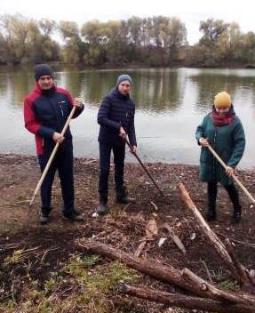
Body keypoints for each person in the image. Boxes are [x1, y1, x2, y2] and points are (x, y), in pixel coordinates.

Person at [24, 64, 84, 224]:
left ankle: (69, 210)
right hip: (46, 146)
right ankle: (45, 210)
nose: (46, 81)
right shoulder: (31, 100)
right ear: (37, 80)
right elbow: (30, 124)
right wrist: (51, 134)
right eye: (43, 79)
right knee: (47, 179)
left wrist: (80, 107)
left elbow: (72, 113)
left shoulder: (63, 94)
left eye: (49, 78)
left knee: (67, 178)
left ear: (52, 78)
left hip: (66, 143)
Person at [195, 91, 245, 223]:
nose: (222, 111)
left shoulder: (235, 123)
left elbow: (240, 144)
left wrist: (232, 164)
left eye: (225, 108)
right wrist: (200, 139)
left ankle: (237, 209)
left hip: (225, 162)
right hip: (209, 159)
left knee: (229, 185)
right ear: (214, 106)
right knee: (211, 184)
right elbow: (199, 130)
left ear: (230, 107)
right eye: (219, 108)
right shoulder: (208, 118)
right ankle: (211, 210)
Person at [96, 74, 137, 215]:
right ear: (118, 85)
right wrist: (118, 127)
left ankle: (120, 195)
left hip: (120, 141)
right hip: (106, 139)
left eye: (128, 85)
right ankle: (102, 201)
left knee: (120, 168)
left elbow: (131, 125)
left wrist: (133, 143)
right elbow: (100, 118)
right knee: (105, 169)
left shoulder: (131, 104)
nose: (125, 88)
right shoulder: (109, 98)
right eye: (123, 85)